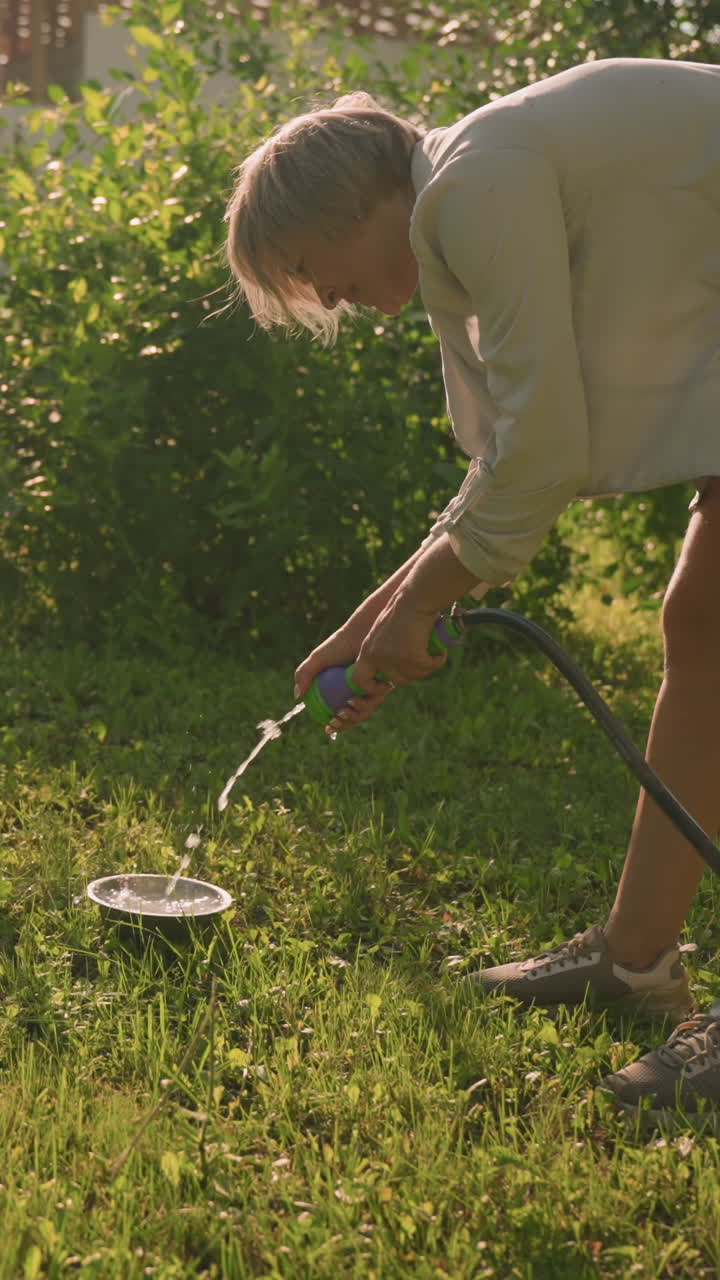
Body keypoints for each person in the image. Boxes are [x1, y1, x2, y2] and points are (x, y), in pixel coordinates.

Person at [224, 56, 720, 1117]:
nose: (330, 300)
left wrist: (420, 606)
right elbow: (503, 462)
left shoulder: (474, 182)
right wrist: (376, 616)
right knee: (707, 621)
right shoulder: (470, 192)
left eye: (313, 268)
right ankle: (634, 960)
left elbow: (545, 453)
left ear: (358, 201)